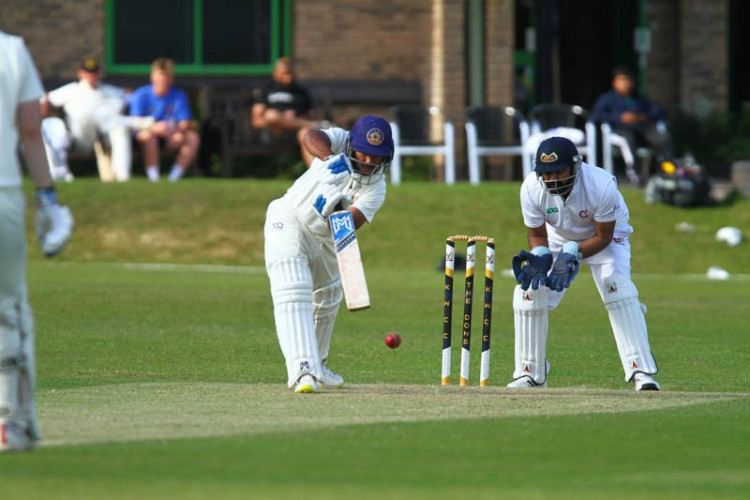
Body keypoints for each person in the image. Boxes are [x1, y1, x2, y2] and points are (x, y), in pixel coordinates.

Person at [507, 136, 660, 391]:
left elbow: (603, 236)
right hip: (557, 236)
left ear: (575, 167)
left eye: (559, 171)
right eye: (547, 173)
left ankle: (641, 371)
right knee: (529, 292)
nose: (553, 179)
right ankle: (531, 372)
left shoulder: (601, 185)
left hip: (607, 236)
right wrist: (542, 257)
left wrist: (573, 252)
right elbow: (536, 234)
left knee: (617, 290)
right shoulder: (531, 188)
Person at [264, 116, 392, 394]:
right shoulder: (340, 139)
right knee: (293, 286)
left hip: (325, 238)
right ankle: (302, 371)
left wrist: (334, 210)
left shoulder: (377, 189)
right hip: (290, 218)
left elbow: (347, 228)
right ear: (351, 145)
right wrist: (327, 159)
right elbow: (309, 135)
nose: (370, 161)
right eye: (364, 153)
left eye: (378, 157)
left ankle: (318, 365)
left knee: (329, 295)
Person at [0, 30, 74, 452]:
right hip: (4, 193)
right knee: (8, 309)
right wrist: (47, 199)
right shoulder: (12, 50)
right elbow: (31, 130)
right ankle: (12, 422)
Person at [41, 57, 132, 182]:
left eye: (94, 72)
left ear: (99, 73)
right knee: (86, 115)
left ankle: (123, 175)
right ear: (80, 73)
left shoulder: (110, 90)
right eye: (88, 72)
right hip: (81, 139)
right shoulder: (72, 89)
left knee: (120, 128)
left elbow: (131, 96)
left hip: (106, 135)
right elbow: (46, 98)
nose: (91, 75)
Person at [130, 58, 200, 182]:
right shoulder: (141, 94)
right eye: (160, 75)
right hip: (145, 135)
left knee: (193, 137)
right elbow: (134, 122)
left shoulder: (179, 96)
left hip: (170, 136)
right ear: (152, 77)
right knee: (148, 136)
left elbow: (184, 121)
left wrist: (174, 129)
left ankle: (174, 178)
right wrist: (153, 127)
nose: (163, 79)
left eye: (167, 75)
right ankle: (154, 177)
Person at [590, 66, 673, 163]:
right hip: (619, 129)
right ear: (614, 82)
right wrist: (620, 117)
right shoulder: (607, 99)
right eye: (621, 80)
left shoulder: (638, 98)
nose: (625, 84)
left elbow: (659, 111)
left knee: (664, 139)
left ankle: (669, 169)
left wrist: (643, 116)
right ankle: (634, 174)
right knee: (628, 140)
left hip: (641, 128)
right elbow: (596, 115)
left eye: (628, 80)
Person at [251, 57, 320, 165]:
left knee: (306, 134)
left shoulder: (301, 92)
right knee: (271, 115)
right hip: (273, 131)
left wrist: (294, 120)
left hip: (296, 132)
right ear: (275, 73)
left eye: (290, 74)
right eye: (284, 74)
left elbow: (312, 116)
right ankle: (303, 123)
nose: (288, 77)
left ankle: (314, 175)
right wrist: (282, 118)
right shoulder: (266, 90)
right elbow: (256, 121)